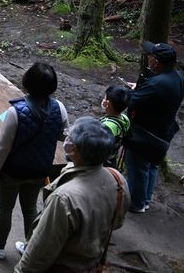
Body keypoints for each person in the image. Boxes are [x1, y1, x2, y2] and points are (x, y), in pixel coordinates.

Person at [14, 117, 130, 273]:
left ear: (73, 150)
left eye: (69, 137)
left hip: (62, 264)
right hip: (91, 262)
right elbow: (117, 223)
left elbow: (40, 251)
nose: (66, 139)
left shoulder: (64, 198)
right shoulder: (117, 179)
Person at [0, 62, 68, 260]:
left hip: (13, 170)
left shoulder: (15, 112)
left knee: (5, 208)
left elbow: (3, 147)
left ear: (27, 82)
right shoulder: (60, 108)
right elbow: (63, 135)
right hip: (40, 169)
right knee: (30, 208)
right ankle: (30, 247)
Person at [124, 41, 184, 213]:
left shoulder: (157, 84)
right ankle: (145, 199)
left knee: (138, 167)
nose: (148, 56)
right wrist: (141, 88)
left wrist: (132, 91)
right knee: (151, 166)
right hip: (163, 131)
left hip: (146, 134)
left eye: (150, 55)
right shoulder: (178, 76)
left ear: (156, 61)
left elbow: (132, 101)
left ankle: (136, 203)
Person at [100, 85, 131, 168]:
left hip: (103, 162)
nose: (103, 100)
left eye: (105, 98)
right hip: (113, 158)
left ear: (107, 103)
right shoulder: (125, 118)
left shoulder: (107, 126)